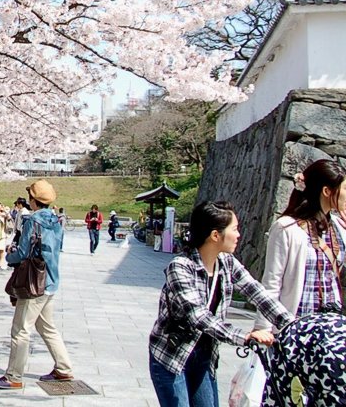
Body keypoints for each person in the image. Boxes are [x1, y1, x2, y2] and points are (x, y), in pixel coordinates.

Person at [148, 201, 293, 407]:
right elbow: (199, 316)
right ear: (215, 235)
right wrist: (244, 336)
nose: (239, 235)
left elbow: (258, 293)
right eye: (234, 229)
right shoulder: (180, 268)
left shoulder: (227, 263)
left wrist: (293, 325)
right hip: (171, 357)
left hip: (204, 357)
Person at [0, 180, 74, 390]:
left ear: (33, 200)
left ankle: (14, 376)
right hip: (51, 280)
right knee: (47, 327)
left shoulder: (32, 221)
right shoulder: (56, 220)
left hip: (34, 283)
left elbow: (23, 252)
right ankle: (64, 369)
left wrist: (9, 256)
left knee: (20, 329)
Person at [254, 159, 346, 330]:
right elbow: (272, 282)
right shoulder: (287, 228)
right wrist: (263, 328)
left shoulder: (339, 227)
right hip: (297, 328)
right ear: (327, 191)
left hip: (332, 330)